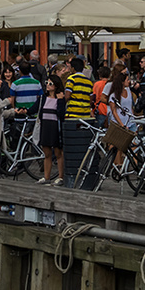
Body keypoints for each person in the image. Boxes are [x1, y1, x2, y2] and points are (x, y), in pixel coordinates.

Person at [62, 57, 99, 190]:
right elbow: (90, 100)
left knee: (72, 147)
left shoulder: (71, 79)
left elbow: (67, 96)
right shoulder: (88, 81)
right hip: (85, 116)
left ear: (72, 68)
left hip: (72, 115)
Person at [37, 62, 66, 185]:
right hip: (45, 126)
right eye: (47, 83)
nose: (47, 85)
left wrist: (60, 101)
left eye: (50, 84)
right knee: (47, 153)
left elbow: (61, 114)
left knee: (58, 153)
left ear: (56, 86)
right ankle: (46, 176)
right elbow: (38, 111)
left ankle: (60, 176)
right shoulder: (43, 97)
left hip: (55, 127)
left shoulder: (60, 98)